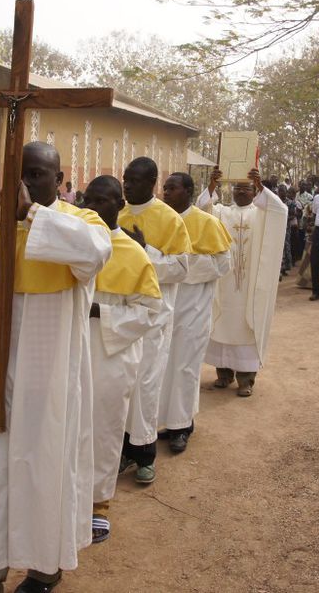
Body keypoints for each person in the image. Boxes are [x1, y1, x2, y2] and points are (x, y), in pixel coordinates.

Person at [0, 142, 112, 593]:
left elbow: (94, 254)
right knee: (0, 473)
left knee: (48, 467)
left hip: (53, 384)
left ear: (60, 180)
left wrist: (33, 216)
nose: (27, 185)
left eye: (38, 174)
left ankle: (47, 566)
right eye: (19, 177)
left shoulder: (80, 225)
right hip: (4, 384)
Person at [81, 175, 162, 545]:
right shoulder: (75, 245)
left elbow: (150, 312)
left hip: (113, 356)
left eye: (102, 201)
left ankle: (99, 504)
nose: (93, 208)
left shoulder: (132, 252)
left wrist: (102, 314)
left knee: (105, 428)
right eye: (88, 200)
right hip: (73, 351)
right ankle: (70, 495)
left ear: (118, 204)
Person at [117, 157, 192, 485]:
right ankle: (120, 450)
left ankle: (145, 455)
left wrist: (144, 250)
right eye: (124, 178)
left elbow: (180, 269)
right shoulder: (115, 214)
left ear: (151, 183)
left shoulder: (170, 220)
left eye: (134, 180)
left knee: (146, 386)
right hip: (119, 314)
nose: (127, 184)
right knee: (121, 385)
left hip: (153, 316)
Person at [197, 167, 288, 397]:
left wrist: (261, 187)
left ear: (253, 192)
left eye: (246, 189)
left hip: (249, 287)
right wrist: (212, 185)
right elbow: (202, 210)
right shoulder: (221, 213)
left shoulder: (261, 214)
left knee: (248, 326)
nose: (240, 192)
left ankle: (246, 379)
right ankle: (223, 374)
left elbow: (280, 210)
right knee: (222, 326)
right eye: (237, 188)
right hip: (225, 286)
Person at [158, 171, 232, 453]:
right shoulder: (161, 219)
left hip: (193, 307)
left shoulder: (207, 223)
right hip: (164, 306)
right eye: (164, 188)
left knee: (184, 366)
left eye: (172, 188)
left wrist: (180, 266)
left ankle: (181, 425)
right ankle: (164, 421)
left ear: (188, 191)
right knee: (162, 366)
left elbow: (222, 264)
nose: (166, 192)